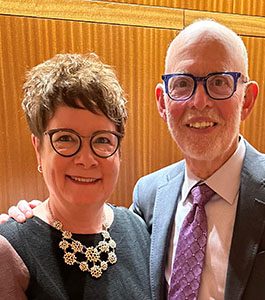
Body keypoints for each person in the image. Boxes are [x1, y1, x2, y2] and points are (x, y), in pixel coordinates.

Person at [3, 19, 265, 300]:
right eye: (183, 83)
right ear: (163, 101)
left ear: (246, 99)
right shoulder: (149, 196)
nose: (199, 101)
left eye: (220, 82)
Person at [0, 53, 152, 299]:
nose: (86, 159)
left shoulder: (138, 228)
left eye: (102, 140)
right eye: (66, 138)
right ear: (38, 149)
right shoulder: (10, 249)